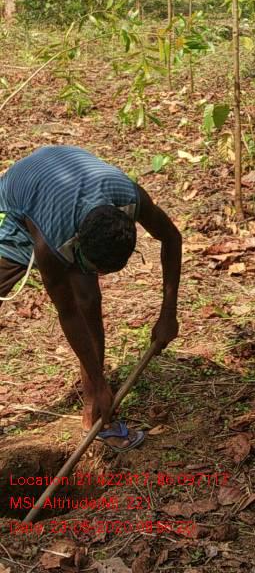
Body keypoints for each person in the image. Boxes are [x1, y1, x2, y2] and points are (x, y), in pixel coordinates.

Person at [0, 145, 181, 451]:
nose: (98, 276)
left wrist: (168, 313)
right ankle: (97, 391)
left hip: (71, 183)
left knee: (90, 298)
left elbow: (172, 238)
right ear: (78, 241)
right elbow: (68, 312)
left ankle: (95, 411)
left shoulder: (130, 199)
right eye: (93, 267)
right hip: (21, 197)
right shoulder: (51, 242)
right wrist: (100, 381)